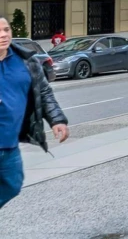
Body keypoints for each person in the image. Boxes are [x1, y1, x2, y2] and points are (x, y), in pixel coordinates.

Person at [0, 14, 69, 209]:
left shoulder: (26, 61)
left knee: (13, 185)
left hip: (9, 143)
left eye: (6, 30)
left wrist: (57, 120)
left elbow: (44, 92)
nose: (3, 35)